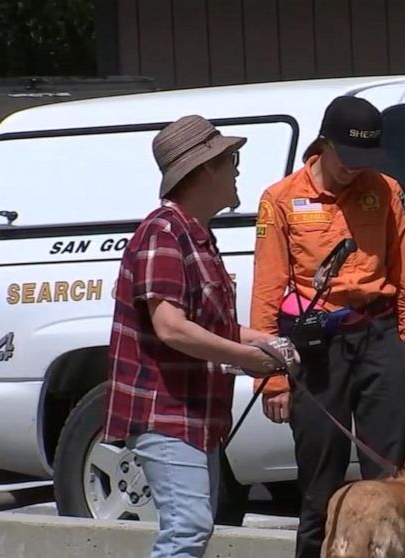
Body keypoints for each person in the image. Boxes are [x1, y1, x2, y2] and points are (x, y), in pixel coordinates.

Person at [249, 95, 405, 558]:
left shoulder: (387, 191)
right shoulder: (280, 200)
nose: (357, 168)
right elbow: (267, 290)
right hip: (316, 347)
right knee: (320, 488)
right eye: (349, 158)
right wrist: (272, 377)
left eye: (366, 159)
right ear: (324, 145)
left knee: (390, 481)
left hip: (378, 337)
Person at [104, 115, 293, 558]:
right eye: (232, 159)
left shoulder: (196, 235)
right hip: (165, 413)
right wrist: (248, 357)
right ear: (204, 168)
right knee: (186, 532)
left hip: (194, 416)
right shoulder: (164, 232)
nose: (238, 169)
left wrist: (267, 342)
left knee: (193, 530)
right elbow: (170, 326)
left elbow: (208, 326)